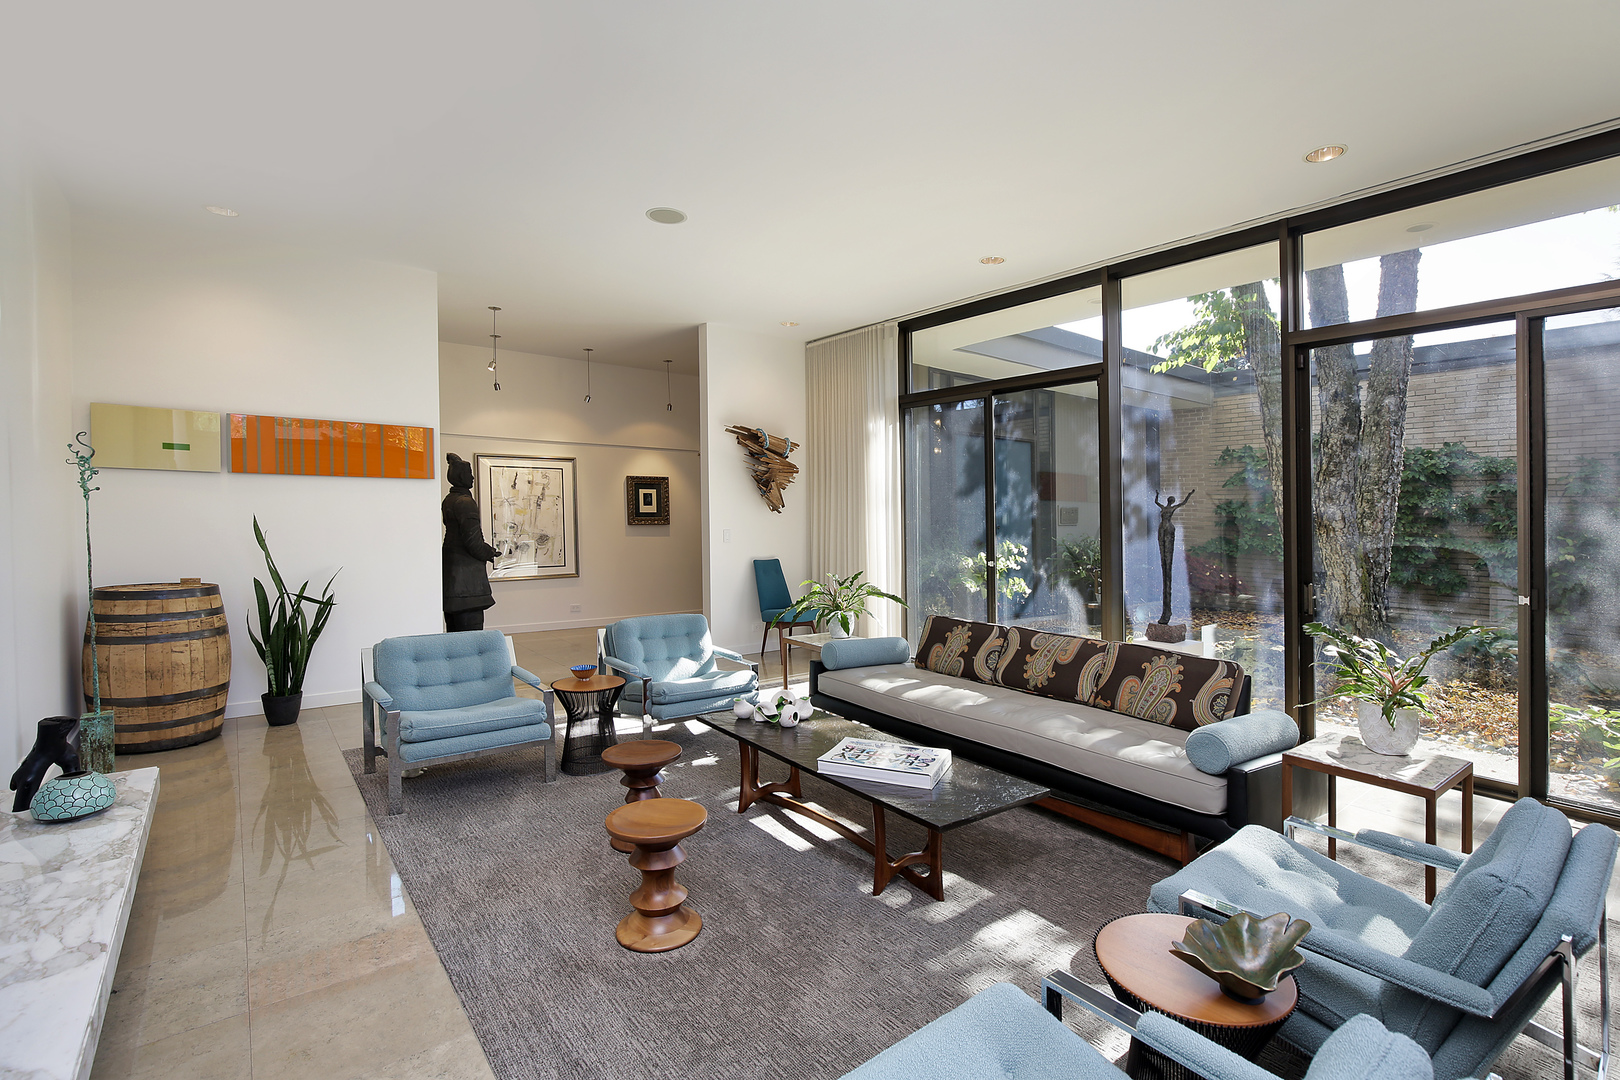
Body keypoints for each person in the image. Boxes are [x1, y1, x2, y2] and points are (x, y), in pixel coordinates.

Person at [443, 453, 499, 631]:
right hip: (467, 582)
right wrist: (489, 552)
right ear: (461, 476)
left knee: (455, 636)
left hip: (452, 575)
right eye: (469, 474)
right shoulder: (465, 502)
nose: (472, 477)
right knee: (471, 638)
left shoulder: (449, 500)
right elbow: (473, 542)